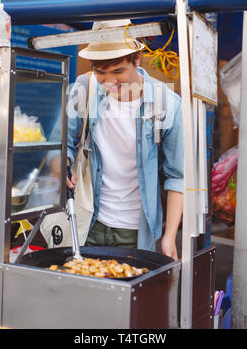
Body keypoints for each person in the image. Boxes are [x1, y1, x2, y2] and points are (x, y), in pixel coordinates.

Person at [49, 20, 184, 260]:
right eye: (101, 73)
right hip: (87, 221)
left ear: (137, 58)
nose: (110, 81)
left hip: (136, 232)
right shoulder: (84, 89)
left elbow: (177, 177)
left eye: (118, 71)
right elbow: (57, 146)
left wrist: (169, 235)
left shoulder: (167, 103)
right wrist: (62, 168)